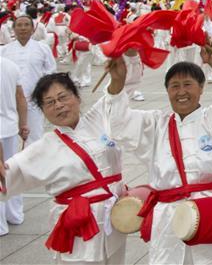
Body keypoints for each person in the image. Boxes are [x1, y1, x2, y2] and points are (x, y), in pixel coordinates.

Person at [105, 38, 212, 265]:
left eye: (188, 85)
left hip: (209, 210)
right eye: (174, 86)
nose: (181, 92)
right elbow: (118, 123)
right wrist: (117, 83)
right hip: (168, 216)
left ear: (201, 88)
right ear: (167, 91)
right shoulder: (155, 123)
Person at [0, 73, 126, 264]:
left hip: (114, 222)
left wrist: (122, 68)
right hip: (79, 227)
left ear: (77, 97)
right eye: (49, 102)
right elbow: (8, 176)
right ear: (43, 111)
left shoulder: (98, 119)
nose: (58, 105)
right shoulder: (43, 148)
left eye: (63, 97)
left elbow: (115, 93)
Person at [0, 15, 56, 147]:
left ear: (32, 28)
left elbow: (50, 72)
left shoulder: (42, 48)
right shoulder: (4, 50)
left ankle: (33, 165)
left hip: (33, 100)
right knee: (8, 137)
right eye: (19, 25)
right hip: (8, 102)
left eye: (26, 25)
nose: (23, 28)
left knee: (34, 137)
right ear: (13, 29)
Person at [0, 59, 27, 236]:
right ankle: (15, 214)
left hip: (6, 126)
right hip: (8, 126)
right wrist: (23, 124)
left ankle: (1, 225)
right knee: (9, 171)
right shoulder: (11, 65)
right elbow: (20, 97)